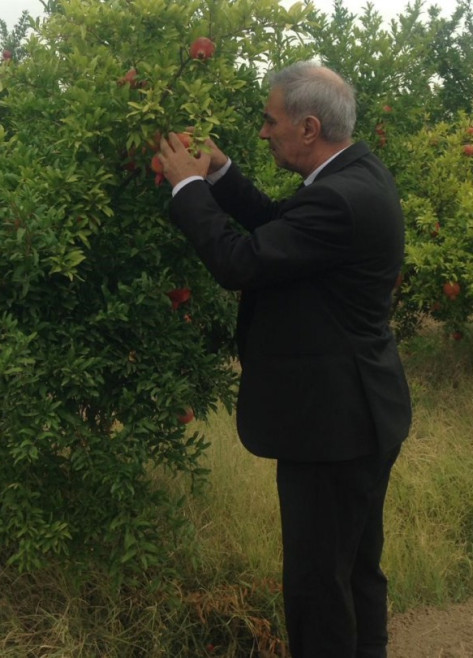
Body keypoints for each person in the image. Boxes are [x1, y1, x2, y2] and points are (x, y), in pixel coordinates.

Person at [158, 61, 412, 658]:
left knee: (318, 586)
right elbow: (283, 228)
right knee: (353, 571)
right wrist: (220, 175)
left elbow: (241, 262)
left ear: (308, 127)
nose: (264, 131)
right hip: (361, 413)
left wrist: (185, 188)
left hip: (332, 427)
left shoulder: (340, 199)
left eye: (271, 121)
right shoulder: (353, 174)